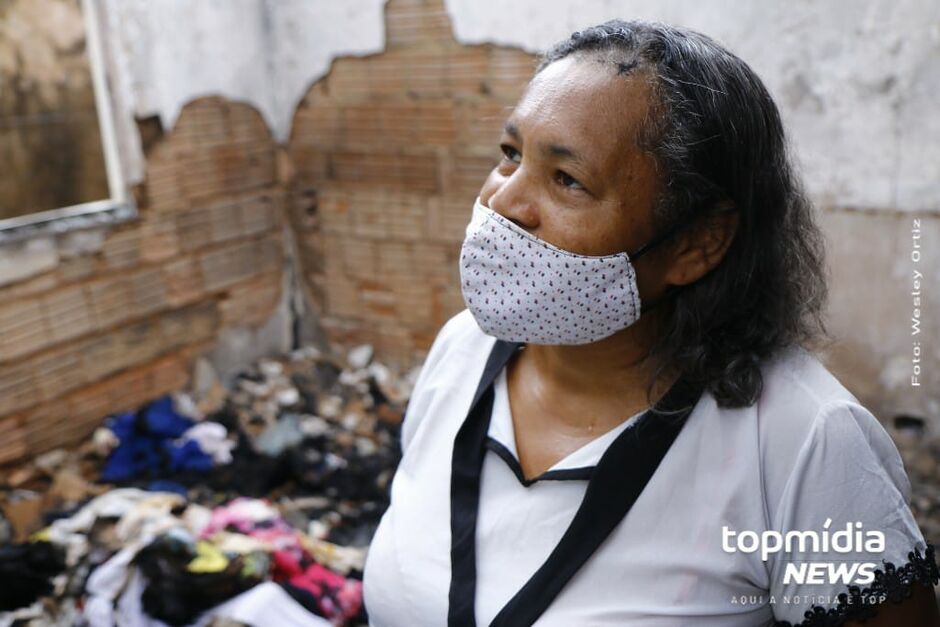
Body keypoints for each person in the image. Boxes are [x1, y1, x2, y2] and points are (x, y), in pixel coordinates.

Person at [362, 20, 940, 627]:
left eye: (568, 180)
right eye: (511, 155)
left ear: (697, 244)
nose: (502, 202)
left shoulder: (805, 440)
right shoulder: (462, 351)